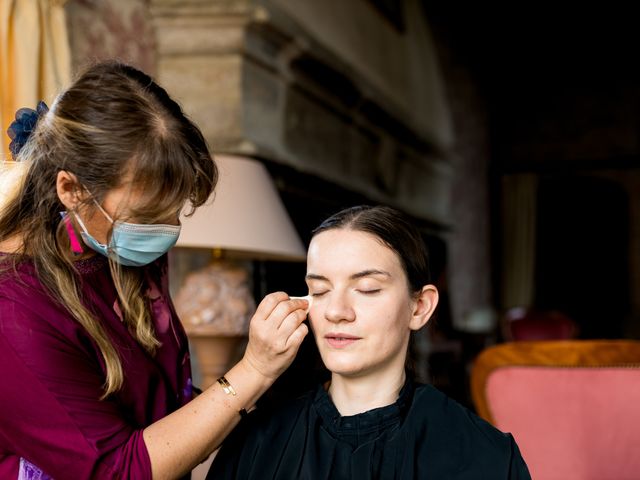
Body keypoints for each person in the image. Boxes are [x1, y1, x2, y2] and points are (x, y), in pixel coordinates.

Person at [0, 61, 309, 479]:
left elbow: (158, 403)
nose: (166, 233)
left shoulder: (117, 247)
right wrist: (253, 371)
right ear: (71, 190)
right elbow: (116, 470)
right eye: (146, 215)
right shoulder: (14, 310)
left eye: (174, 212)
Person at [208, 205, 531, 479]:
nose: (336, 311)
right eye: (320, 291)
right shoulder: (257, 442)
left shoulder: (486, 456)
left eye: (367, 289)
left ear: (419, 307)